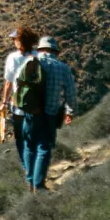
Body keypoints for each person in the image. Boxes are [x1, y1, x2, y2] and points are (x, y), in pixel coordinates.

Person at [18, 35, 77, 192]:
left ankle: (30, 182)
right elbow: (70, 92)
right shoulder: (63, 68)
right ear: (55, 52)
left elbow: (20, 87)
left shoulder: (31, 63)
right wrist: (70, 111)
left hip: (32, 113)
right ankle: (39, 186)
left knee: (29, 146)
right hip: (50, 113)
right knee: (43, 148)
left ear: (40, 50)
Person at [0, 27, 39, 166]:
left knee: (20, 138)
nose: (13, 41)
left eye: (15, 39)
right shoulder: (39, 56)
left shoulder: (13, 58)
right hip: (37, 105)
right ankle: (36, 166)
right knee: (34, 137)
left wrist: (4, 102)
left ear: (21, 41)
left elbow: (8, 82)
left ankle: (28, 167)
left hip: (18, 105)